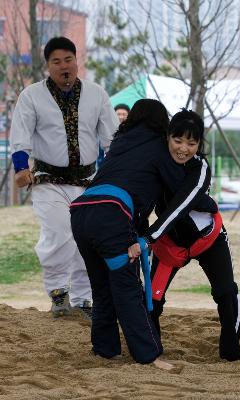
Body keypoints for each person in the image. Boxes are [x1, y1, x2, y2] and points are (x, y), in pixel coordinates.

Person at [70, 99, 213, 365]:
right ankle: (149, 355)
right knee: (127, 287)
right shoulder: (159, 145)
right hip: (111, 215)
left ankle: (105, 348)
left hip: (80, 212)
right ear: (163, 123)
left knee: (102, 288)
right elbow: (180, 189)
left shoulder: (120, 144)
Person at [9, 36, 118, 319]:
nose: (64, 66)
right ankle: (58, 293)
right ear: (48, 66)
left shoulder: (97, 94)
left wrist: (118, 170)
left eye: (68, 60)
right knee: (58, 233)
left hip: (89, 181)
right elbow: (20, 137)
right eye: (56, 62)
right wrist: (21, 167)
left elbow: (112, 138)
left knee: (88, 239)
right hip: (47, 179)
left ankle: (84, 299)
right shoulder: (31, 96)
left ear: (76, 60)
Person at [149, 109, 240, 362]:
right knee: (151, 301)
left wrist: (149, 237)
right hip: (169, 245)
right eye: (178, 141)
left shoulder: (201, 167)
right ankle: (151, 348)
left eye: (192, 143)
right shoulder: (154, 162)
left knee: (226, 292)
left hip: (208, 239)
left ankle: (231, 352)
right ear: (167, 137)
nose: (183, 148)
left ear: (199, 145)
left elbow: (182, 204)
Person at [97, 103, 130, 168]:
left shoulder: (132, 131)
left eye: (124, 114)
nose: (121, 117)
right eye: (118, 114)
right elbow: (100, 154)